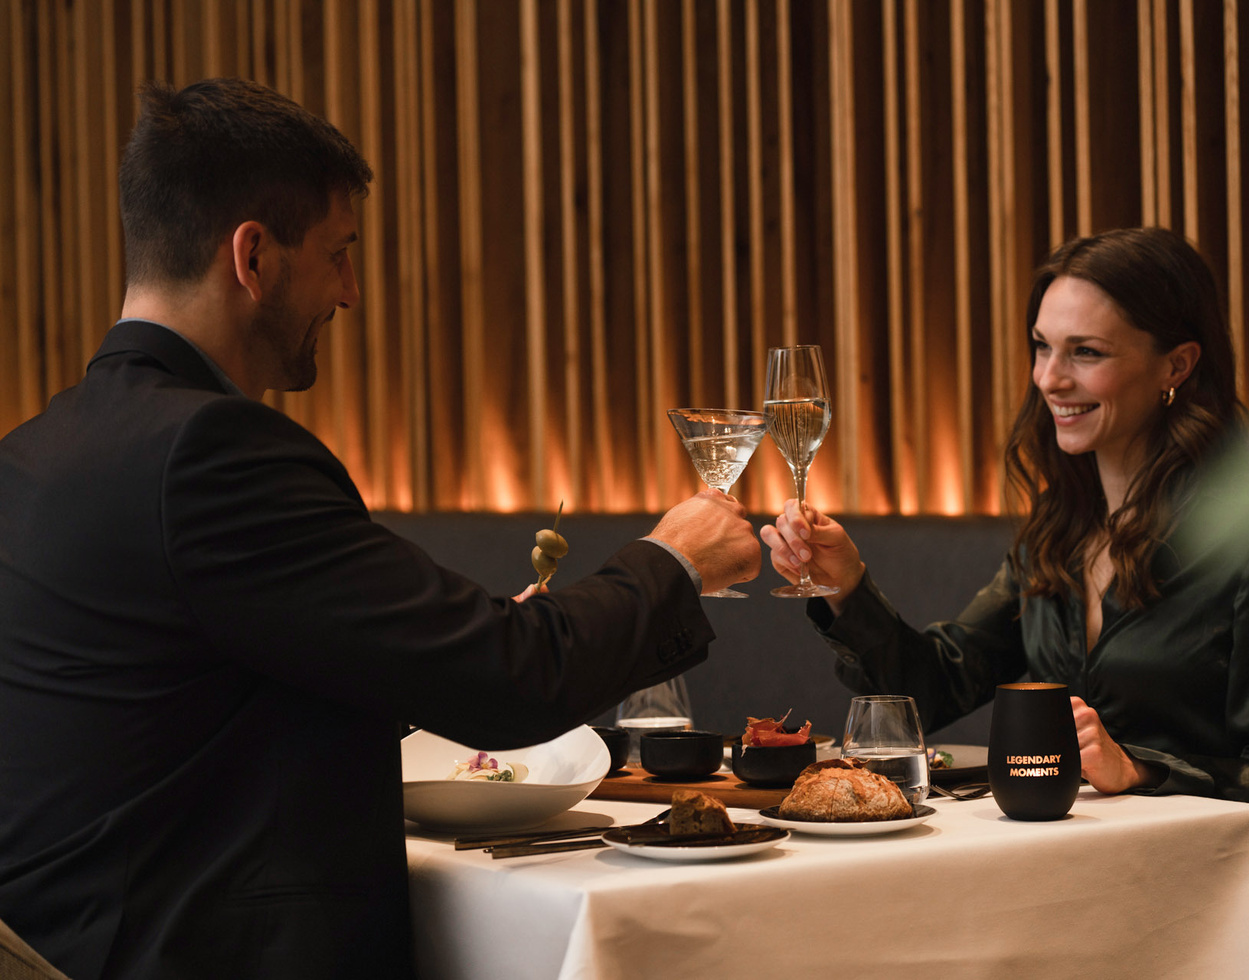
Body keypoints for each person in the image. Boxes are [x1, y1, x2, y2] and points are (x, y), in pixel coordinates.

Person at [0, 78, 760, 980]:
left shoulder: (32, 451)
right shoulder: (211, 451)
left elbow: (184, 696)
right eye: (338, 252)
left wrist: (422, 656)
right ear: (253, 257)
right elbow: (511, 680)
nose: (351, 292)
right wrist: (673, 560)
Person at [762, 227, 1249, 840]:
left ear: (1177, 365)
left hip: (1191, 883)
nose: (1050, 379)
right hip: (1055, 866)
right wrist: (847, 589)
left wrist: (1137, 768)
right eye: (1042, 347)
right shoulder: (1057, 529)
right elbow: (936, 689)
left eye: (1086, 352)